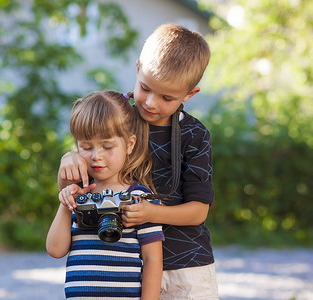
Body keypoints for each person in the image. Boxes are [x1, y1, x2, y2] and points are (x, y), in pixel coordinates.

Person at [58, 24, 219, 299]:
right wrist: (68, 159)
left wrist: (151, 213)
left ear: (189, 94)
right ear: (137, 68)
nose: (151, 103)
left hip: (187, 266)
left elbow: (198, 212)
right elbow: (74, 191)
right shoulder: (116, 120)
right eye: (145, 88)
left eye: (167, 97)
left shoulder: (194, 134)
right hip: (125, 266)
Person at [46, 90, 164, 299]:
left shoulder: (138, 197)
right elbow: (55, 250)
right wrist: (66, 203)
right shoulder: (81, 195)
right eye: (86, 147)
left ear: (129, 144)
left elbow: (152, 260)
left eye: (107, 146)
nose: (96, 157)